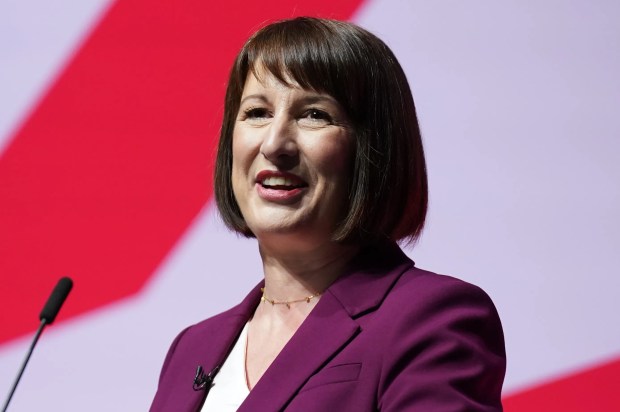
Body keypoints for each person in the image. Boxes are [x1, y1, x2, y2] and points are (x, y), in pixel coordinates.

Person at [150, 17, 505, 412]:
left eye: (314, 114)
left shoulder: (431, 318)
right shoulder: (191, 348)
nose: (274, 144)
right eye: (256, 112)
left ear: (373, 149)